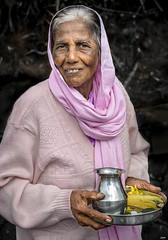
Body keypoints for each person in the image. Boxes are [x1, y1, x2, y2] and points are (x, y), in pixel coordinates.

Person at [0, 5, 164, 240]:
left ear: (100, 51)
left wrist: (131, 181)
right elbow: (5, 186)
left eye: (83, 45)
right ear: (51, 51)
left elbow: (136, 150)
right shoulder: (32, 106)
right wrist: (64, 203)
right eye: (62, 47)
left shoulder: (116, 97)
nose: (71, 57)